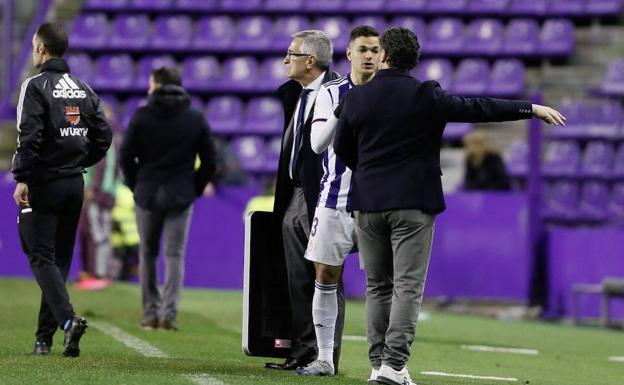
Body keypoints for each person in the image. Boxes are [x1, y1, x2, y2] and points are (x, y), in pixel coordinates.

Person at [334, 27, 565, 385]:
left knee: (377, 286)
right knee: (407, 286)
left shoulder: (356, 98)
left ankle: (380, 365)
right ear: (415, 61)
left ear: (383, 56)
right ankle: (395, 367)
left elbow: (342, 150)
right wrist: (530, 108)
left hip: (367, 202)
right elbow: (480, 108)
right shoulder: (427, 95)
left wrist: (368, 172)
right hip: (413, 203)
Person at [11, 22, 112, 357]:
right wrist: (81, 159)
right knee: (60, 260)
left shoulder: (34, 85)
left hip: (43, 182)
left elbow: (30, 136)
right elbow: (103, 137)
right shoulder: (83, 88)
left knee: (40, 255)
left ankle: (68, 322)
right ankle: (44, 339)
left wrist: (22, 177)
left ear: (40, 47)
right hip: (74, 183)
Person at [295, 25, 381, 377]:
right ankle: (326, 358)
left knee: (381, 283)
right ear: (349, 54)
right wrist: (342, 108)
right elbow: (316, 144)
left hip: (378, 201)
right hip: (335, 198)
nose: (369, 56)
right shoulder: (332, 92)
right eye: (362, 49)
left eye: (375, 50)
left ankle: (384, 366)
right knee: (326, 274)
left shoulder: (388, 92)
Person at [264, 30, 345, 372]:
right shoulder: (295, 94)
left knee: (326, 274)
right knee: (297, 276)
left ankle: (326, 355)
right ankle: (303, 349)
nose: (285, 60)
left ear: (310, 61)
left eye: (291, 54)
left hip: (326, 196)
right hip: (295, 194)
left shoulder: (342, 93)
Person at [119, 67, 216, 331]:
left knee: (147, 253)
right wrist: (193, 188)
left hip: (148, 193)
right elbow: (210, 160)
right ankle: (169, 314)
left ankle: (150, 313)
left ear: (157, 86)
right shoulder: (195, 118)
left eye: (151, 84)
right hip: (181, 194)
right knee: (174, 255)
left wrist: (135, 184)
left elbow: (125, 155)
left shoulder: (142, 115)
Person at [76, 102, 120, 290]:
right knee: (92, 232)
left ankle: (99, 274)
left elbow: (104, 165)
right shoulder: (111, 135)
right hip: (103, 191)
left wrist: (94, 188)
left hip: (100, 193)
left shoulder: (105, 135)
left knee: (98, 233)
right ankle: (93, 272)